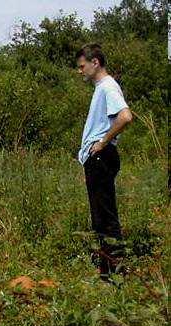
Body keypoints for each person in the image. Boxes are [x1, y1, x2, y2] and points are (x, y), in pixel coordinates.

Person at [75, 43, 133, 276]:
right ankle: (108, 268)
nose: (80, 71)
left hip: (100, 156)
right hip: (97, 157)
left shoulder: (108, 87)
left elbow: (125, 116)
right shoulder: (102, 87)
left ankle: (115, 272)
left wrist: (102, 142)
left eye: (82, 66)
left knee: (105, 216)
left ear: (95, 62)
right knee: (100, 215)